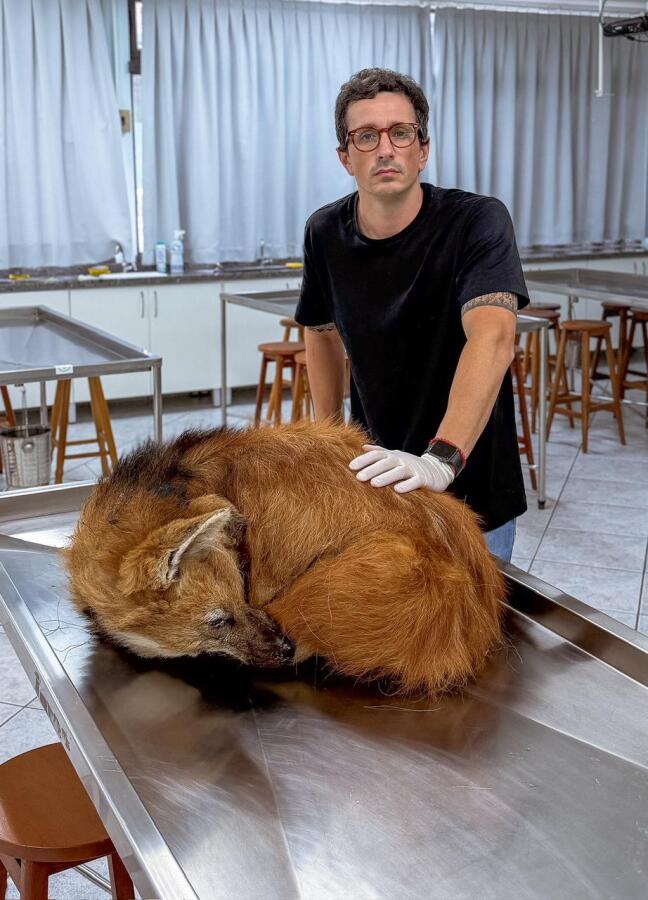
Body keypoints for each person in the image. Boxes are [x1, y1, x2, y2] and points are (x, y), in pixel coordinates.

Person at [294, 68, 530, 562]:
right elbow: (320, 333)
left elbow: (492, 338)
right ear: (345, 158)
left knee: (475, 633)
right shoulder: (324, 233)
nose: (386, 149)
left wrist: (441, 460)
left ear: (422, 149)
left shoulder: (476, 222)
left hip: (471, 485)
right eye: (366, 136)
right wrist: (329, 440)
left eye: (401, 133)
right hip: (380, 483)